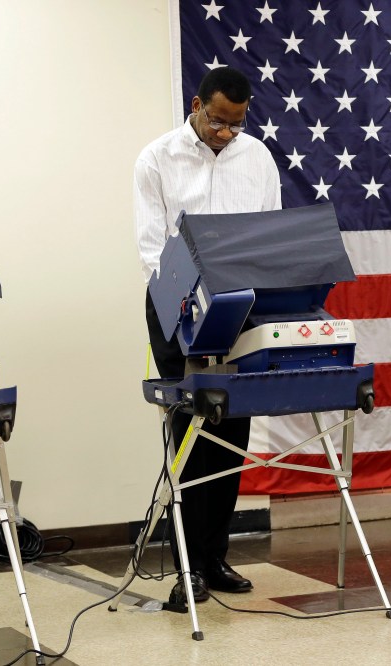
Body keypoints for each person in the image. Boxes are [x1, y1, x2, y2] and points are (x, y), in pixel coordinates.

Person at [133, 66, 281, 604]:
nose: (225, 134)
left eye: (235, 125)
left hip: (240, 304)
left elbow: (269, 231)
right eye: (217, 122)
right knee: (190, 430)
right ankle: (186, 567)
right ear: (197, 105)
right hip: (177, 304)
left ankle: (215, 555)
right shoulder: (156, 158)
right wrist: (190, 299)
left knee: (230, 429)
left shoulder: (258, 157)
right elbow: (152, 248)